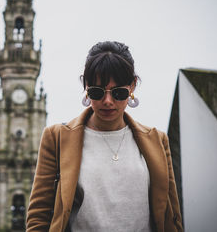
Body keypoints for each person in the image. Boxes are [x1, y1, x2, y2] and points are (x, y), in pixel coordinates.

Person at [26, 41, 183, 232]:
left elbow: (172, 216)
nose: (108, 101)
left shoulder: (158, 141)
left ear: (132, 86)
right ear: (86, 86)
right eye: (97, 92)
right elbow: (39, 216)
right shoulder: (56, 138)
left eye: (118, 93)